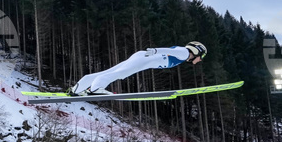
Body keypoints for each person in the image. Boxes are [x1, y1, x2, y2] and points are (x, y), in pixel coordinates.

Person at [70, 41, 207, 95]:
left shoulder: (183, 53)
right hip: (146, 58)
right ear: (196, 52)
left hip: (143, 57)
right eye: (201, 57)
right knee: (121, 73)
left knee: (112, 71)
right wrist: (155, 51)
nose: (200, 60)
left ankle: (78, 88)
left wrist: (155, 52)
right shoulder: (184, 53)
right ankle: (95, 89)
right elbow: (172, 51)